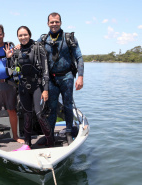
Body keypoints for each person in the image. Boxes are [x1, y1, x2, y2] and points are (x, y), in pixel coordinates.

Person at [4, 26, 54, 150]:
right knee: (27, 114)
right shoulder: (16, 51)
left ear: (30, 35)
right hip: (23, 86)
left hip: (37, 86)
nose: (23, 37)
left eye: (25, 34)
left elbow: (46, 71)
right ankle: (27, 143)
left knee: (39, 114)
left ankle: (50, 140)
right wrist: (9, 58)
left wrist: (46, 89)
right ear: (17, 37)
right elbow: (9, 72)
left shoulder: (38, 48)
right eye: (20, 35)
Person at [38, 12, 84, 145]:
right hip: (51, 79)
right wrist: (18, 47)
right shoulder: (43, 39)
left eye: (56, 22)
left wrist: (80, 76)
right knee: (51, 108)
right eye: (51, 22)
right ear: (48, 23)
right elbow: (31, 48)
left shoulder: (69, 38)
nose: (54, 24)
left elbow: (79, 58)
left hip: (67, 77)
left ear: (61, 23)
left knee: (68, 105)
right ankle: (50, 135)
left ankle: (69, 132)